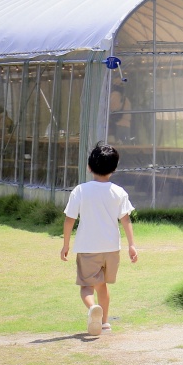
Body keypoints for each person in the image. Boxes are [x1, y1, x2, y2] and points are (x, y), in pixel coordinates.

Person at [60, 143, 138, 335]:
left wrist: (65, 244)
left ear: (89, 166)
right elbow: (126, 219)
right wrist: (132, 245)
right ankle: (104, 323)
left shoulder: (80, 190)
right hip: (111, 248)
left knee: (87, 286)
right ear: (114, 168)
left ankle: (92, 309)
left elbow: (70, 219)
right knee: (101, 285)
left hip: (88, 247)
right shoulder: (119, 192)